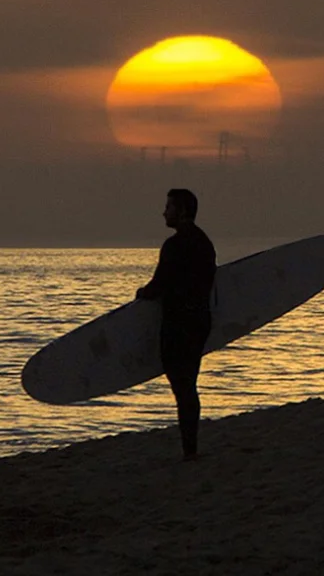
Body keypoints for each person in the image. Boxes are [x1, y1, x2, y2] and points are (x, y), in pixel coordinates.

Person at [136, 188, 216, 461]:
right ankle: (190, 447)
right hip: (200, 321)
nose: (164, 212)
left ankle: (189, 450)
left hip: (178, 323)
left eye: (168, 207)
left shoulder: (175, 244)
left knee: (181, 386)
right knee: (188, 384)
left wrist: (142, 294)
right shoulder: (204, 242)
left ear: (181, 211)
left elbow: (160, 284)